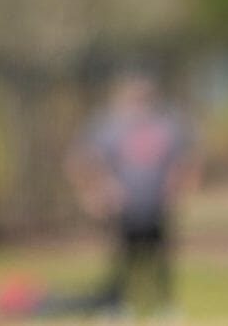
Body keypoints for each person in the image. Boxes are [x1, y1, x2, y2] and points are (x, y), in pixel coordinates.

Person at [37, 72, 192, 321]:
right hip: (122, 209)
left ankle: (164, 306)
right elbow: (80, 159)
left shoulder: (166, 124)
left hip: (155, 205)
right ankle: (117, 306)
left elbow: (185, 160)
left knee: (160, 258)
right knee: (121, 259)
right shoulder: (109, 126)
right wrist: (95, 190)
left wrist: (177, 188)